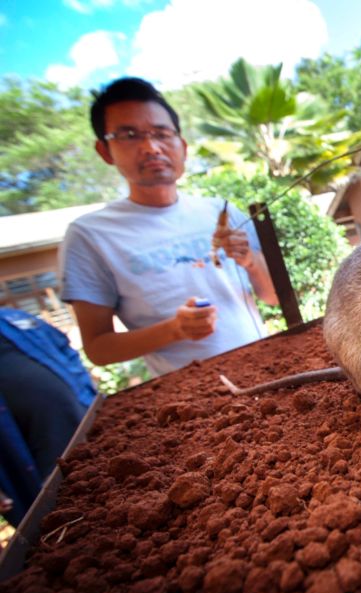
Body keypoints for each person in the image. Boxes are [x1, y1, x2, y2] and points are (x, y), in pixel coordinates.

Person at [60, 77, 278, 377]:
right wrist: (174, 330)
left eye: (162, 133)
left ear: (182, 146)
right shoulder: (90, 236)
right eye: (130, 135)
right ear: (105, 151)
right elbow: (98, 348)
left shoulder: (219, 210)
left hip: (270, 367)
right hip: (189, 395)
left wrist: (250, 262)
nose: (151, 147)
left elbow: (273, 296)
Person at [0, 307, 97, 526]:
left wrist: (85, 390)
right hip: (32, 467)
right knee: (69, 522)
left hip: (92, 432)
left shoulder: (15, 317)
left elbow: (65, 349)